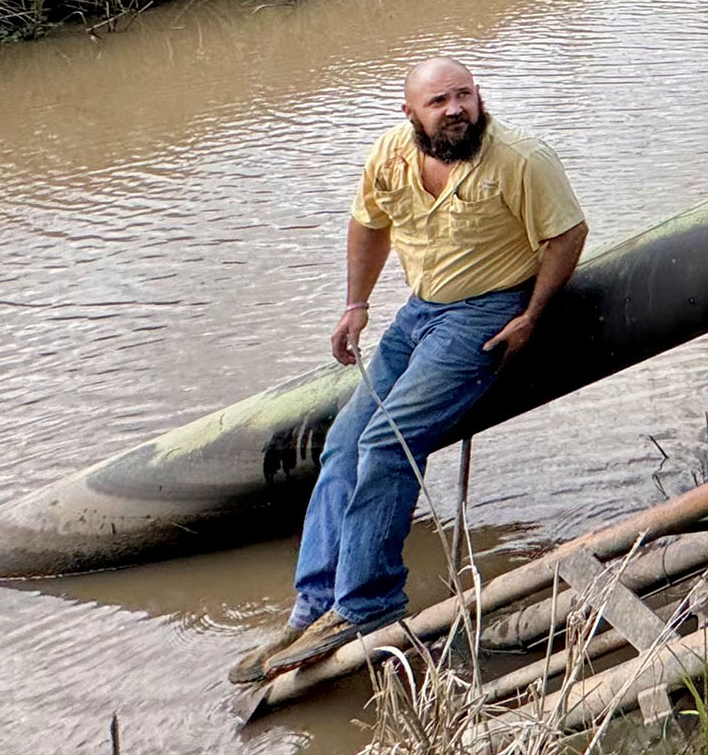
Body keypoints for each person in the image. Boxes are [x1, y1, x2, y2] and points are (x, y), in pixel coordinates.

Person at [230, 57, 588, 683]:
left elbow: (567, 235)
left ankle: (368, 605)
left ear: (480, 99)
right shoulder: (391, 155)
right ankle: (314, 607)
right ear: (410, 114)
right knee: (342, 444)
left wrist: (531, 316)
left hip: (486, 312)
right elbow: (369, 225)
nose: (456, 109)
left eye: (465, 96)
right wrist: (355, 306)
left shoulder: (521, 159)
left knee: (388, 442)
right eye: (440, 101)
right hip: (419, 312)